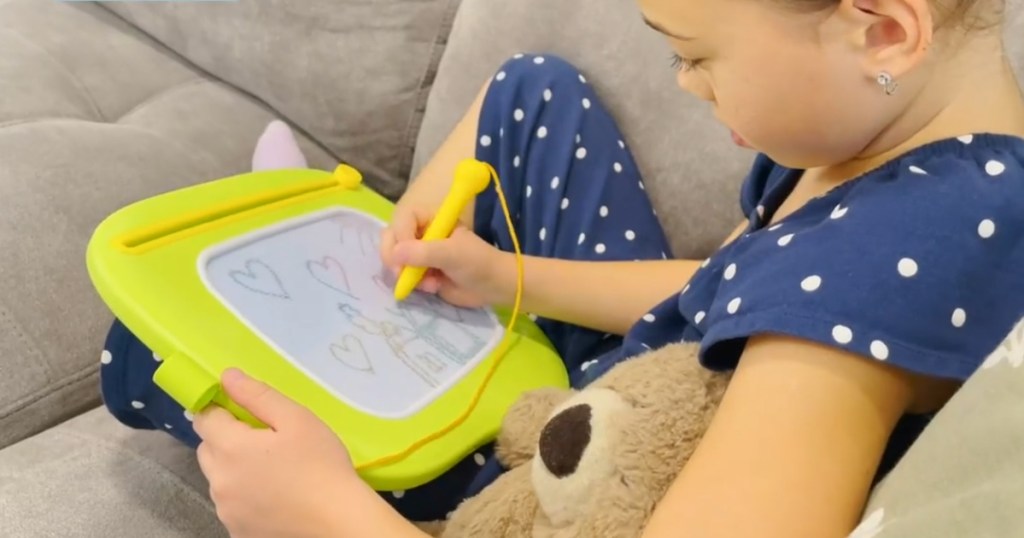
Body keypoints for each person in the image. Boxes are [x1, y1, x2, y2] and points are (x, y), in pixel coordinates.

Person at [98, 0, 1024, 536]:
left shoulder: (892, 262)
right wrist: (508, 278)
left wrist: (330, 510)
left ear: (885, 31)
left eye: (698, 57)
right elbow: (734, 291)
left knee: (137, 355)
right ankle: (352, 245)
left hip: (565, 483)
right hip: (641, 389)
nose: (684, 86)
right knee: (532, 89)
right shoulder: (907, 151)